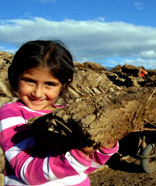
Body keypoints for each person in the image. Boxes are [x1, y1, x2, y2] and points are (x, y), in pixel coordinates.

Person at [0, 40, 119, 185]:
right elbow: (27, 171)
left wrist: (105, 145)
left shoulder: (68, 114)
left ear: (65, 83)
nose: (37, 93)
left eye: (49, 84)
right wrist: (80, 153)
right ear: (15, 76)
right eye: (29, 81)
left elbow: (86, 167)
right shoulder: (12, 113)